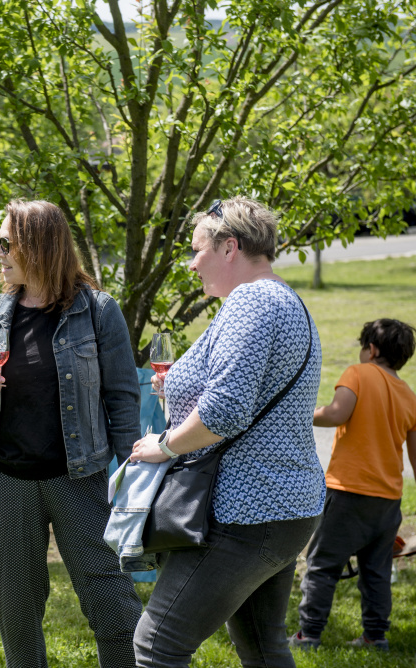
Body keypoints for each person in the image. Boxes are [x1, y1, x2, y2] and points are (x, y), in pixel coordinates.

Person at [128, 196, 325, 668]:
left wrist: (163, 445)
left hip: (244, 511)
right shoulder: (285, 299)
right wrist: (179, 388)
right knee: (262, 646)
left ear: (229, 247)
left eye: (198, 250)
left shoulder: (251, 301)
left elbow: (225, 412)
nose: (192, 263)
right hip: (284, 507)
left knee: (156, 645)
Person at [0, 199, 143, 667]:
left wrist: (133, 480)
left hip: (80, 481)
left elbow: (122, 399)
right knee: (17, 618)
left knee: (115, 609)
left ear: (38, 246)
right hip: (6, 484)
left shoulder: (98, 311)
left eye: (5, 243)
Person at [289, 319, 416, 651]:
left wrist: (301, 413)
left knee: (322, 564)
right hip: (388, 501)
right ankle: (375, 636)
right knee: (376, 571)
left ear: (370, 349)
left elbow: (336, 414)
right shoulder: (410, 398)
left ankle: (308, 635)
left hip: (348, 493)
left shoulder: (357, 374)